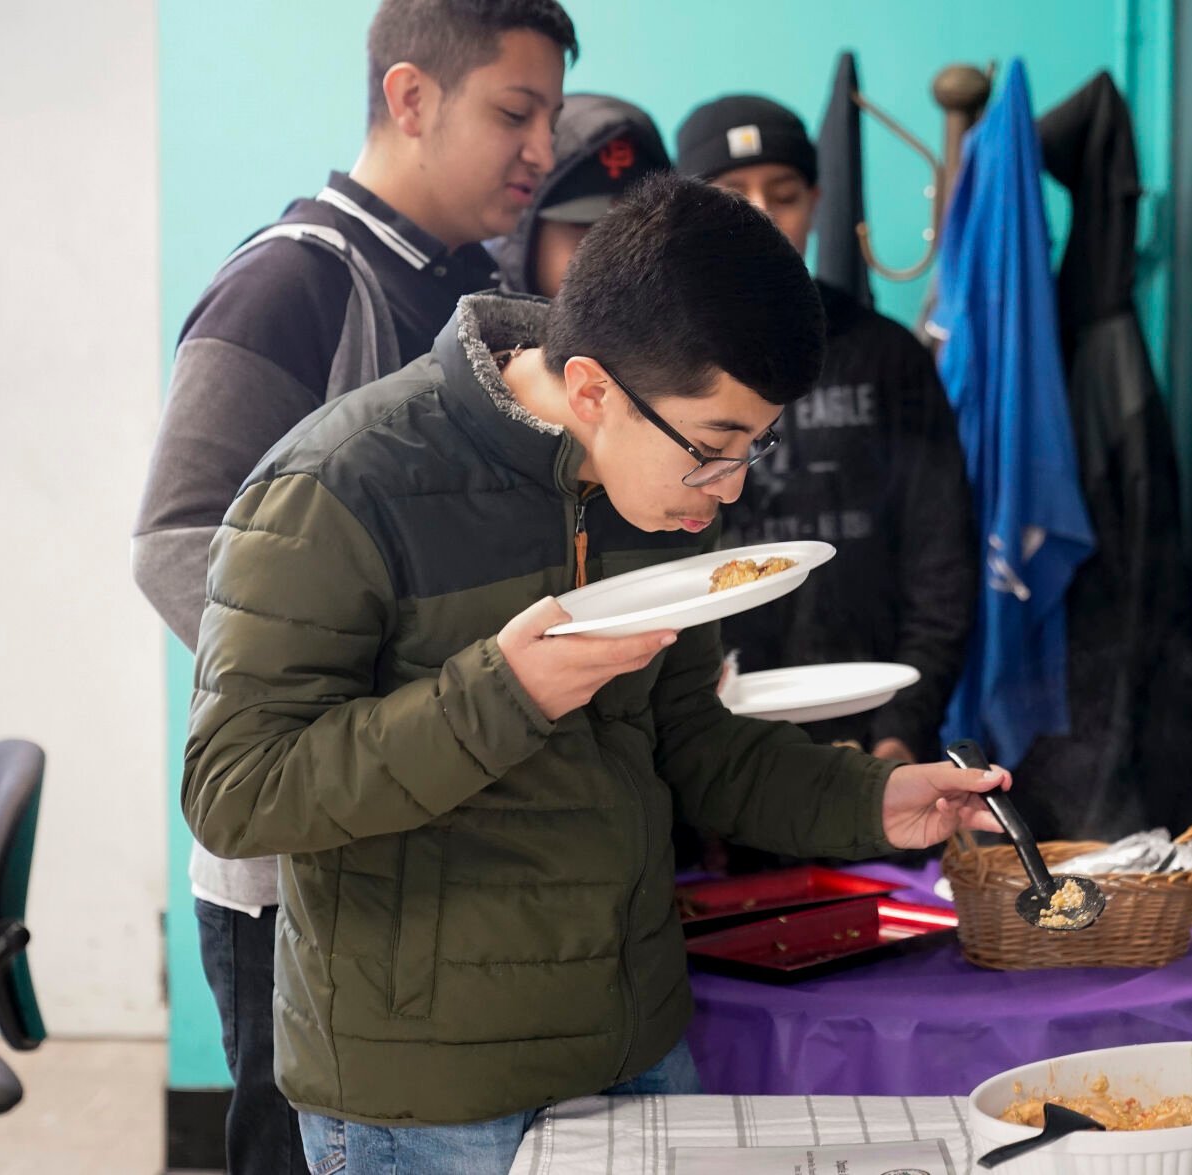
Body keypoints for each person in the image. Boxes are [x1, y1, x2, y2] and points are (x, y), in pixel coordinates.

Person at [181, 172, 1013, 1175]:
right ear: (590, 391)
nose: (728, 490)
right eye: (712, 448)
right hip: (427, 1102)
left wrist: (874, 799)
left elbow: (691, 743)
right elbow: (235, 791)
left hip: (636, 1051)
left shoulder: (653, 493)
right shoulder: (338, 485)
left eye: (752, 446)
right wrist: (502, 695)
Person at [130, 3, 575, 1170]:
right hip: (303, 871)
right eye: (516, 113)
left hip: (444, 840)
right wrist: (385, 717)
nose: (542, 150)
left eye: (550, 117)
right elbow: (173, 538)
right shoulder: (292, 284)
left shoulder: (480, 291)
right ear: (411, 97)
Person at [674, 95, 977, 769]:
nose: (761, 214)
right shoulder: (660, 369)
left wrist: (903, 727)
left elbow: (941, 561)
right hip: (710, 745)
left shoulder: (886, 357)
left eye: (783, 195)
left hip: (875, 732)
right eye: (733, 197)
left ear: (814, 202)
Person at [495, 92, 671, 296]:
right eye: (585, 228)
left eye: (637, 230)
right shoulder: (474, 313)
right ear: (526, 235)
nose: (614, 255)